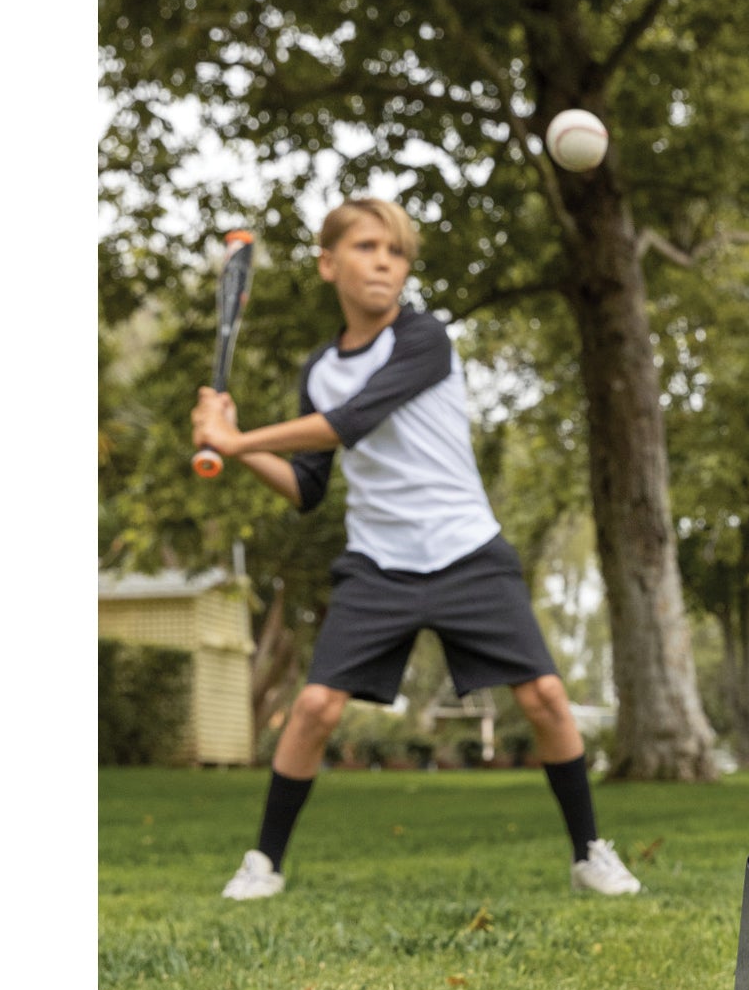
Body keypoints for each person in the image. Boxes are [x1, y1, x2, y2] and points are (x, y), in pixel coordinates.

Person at [190, 197, 642, 901]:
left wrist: (235, 438)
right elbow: (306, 487)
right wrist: (237, 443)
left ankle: (589, 852)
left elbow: (350, 423)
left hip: (468, 550)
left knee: (547, 697)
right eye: (368, 247)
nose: (383, 262)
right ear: (328, 263)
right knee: (313, 710)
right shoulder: (316, 369)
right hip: (378, 564)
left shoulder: (424, 338)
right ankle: (264, 863)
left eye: (396, 252)